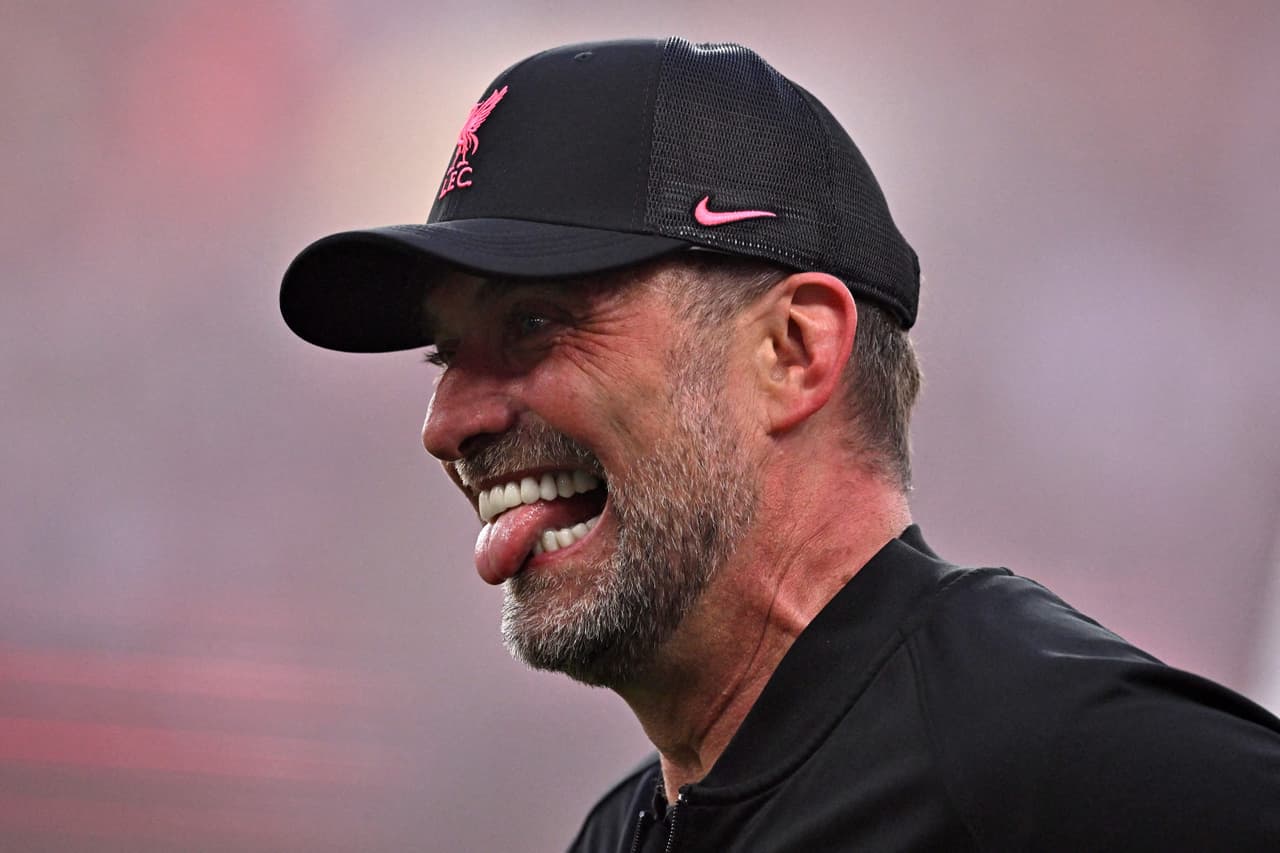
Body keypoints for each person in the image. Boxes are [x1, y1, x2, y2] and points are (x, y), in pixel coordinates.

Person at [280, 38, 1280, 852]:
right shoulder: (619, 831)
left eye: (535, 325)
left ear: (792, 350)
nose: (446, 423)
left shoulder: (1065, 767)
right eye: (443, 357)